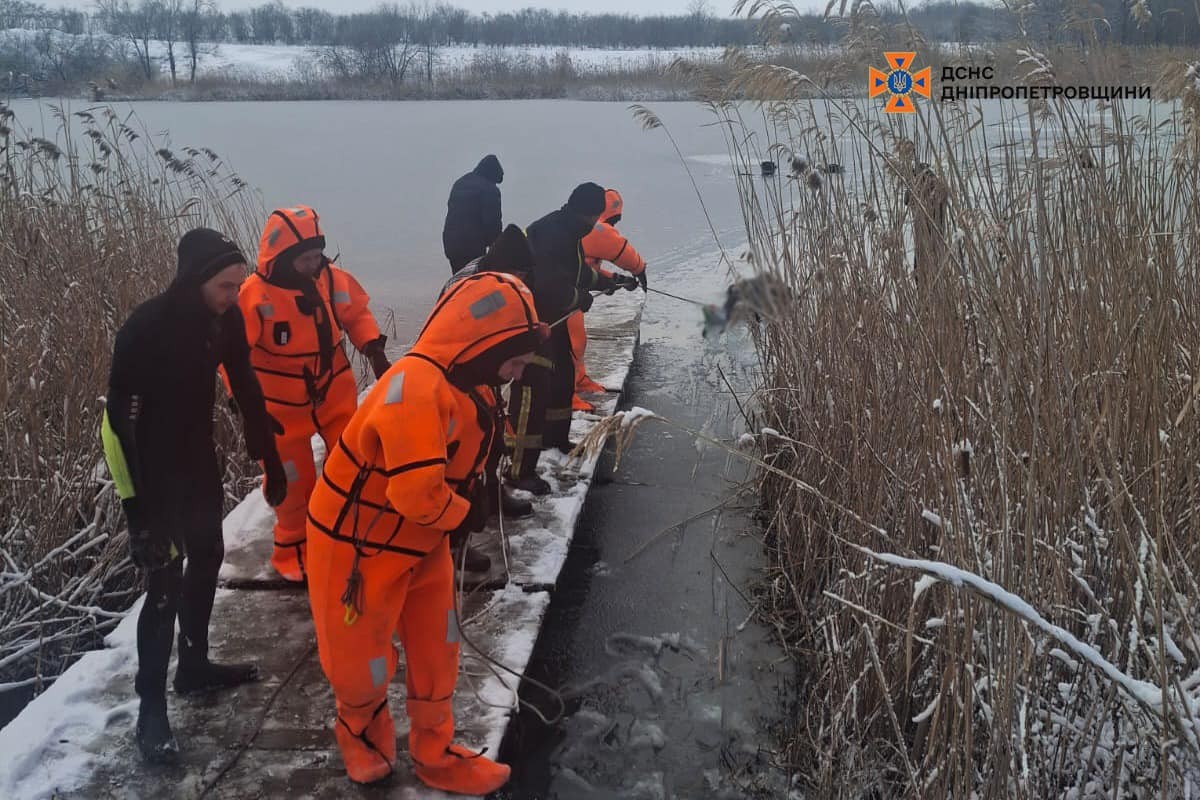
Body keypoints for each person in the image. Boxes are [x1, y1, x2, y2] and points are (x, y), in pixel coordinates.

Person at [305, 271, 545, 792]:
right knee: (360, 662)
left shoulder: (470, 381)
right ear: (484, 344)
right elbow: (414, 496)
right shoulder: (413, 391)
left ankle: (436, 750)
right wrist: (465, 517)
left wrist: (468, 506)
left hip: (423, 540)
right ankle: (362, 737)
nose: (520, 374)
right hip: (357, 550)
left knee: (440, 645)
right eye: (516, 360)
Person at [101, 228, 288, 763]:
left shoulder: (225, 320)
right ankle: (150, 712)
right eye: (227, 286)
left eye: (238, 285)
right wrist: (137, 514)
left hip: (196, 458)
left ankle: (195, 668)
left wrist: (270, 461)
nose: (235, 295)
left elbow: (247, 386)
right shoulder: (146, 328)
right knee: (163, 583)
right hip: (152, 469)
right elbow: (116, 428)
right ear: (196, 279)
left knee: (208, 554)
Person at [236, 205, 391, 583]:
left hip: (333, 392)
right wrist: (242, 401)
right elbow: (231, 355)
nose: (314, 263)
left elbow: (356, 314)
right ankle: (294, 552)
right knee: (291, 481)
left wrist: (374, 349)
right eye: (305, 258)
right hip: (279, 406)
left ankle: (350, 533)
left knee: (355, 461)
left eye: (317, 255)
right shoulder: (253, 296)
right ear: (284, 258)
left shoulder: (331, 280)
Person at [507, 182, 627, 495]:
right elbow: (549, 286)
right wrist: (580, 299)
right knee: (532, 391)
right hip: (532, 320)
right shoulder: (551, 234)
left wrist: (609, 281)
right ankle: (519, 471)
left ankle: (555, 438)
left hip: (553, 317)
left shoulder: (570, 232)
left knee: (561, 378)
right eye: (591, 217)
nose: (592, 224)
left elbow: (575, 273)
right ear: (580, 211)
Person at [572, 187, 645, 411]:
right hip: (561, 293)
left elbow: (585, 266)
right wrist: (640, 271)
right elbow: (623, 252)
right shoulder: (597, 229)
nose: (615, 225)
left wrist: (613, 279)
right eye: (615, 219)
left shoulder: (586, 227)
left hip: (569, 289)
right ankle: (566, 394)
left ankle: (577, 380)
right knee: (570, 342)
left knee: (577, 340)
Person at [441, 154, 504, 274]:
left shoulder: (460, 183)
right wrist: (497, 246)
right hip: (472, 247)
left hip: (451, 243)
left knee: (459, 281)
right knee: (474, 281)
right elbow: (492, 223)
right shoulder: (490, 189)